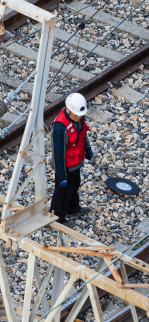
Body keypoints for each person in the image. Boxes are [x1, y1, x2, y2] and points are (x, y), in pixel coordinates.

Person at [51, 93, 93, 224]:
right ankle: (57, 218)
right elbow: (58, 154)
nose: (79, 117)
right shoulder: (60, 127)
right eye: (76, 115)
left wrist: (87, 148)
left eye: (80, 115)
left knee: (74, 185)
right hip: (66, 166)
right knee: (62, 192)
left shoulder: (78, 116)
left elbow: (82, 134)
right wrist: (61, 175)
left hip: (76, 162)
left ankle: (72, 208)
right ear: (68, 109)